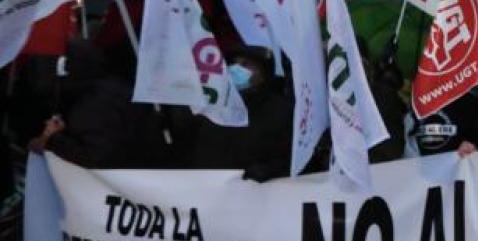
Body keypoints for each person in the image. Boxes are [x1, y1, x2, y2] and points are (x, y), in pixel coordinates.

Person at [30, 39, 173, 170]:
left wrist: (53, 139)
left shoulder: (90, 108)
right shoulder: (114, 87)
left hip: (127, 183)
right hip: (149, 171)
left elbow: (95, 158)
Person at [181, 46, 295, 180]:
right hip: (210, 191)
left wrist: (269, 170)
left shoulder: (280, 110)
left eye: (245, 65)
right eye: (233, 63)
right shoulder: (215, 107)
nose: (236, 68)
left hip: (258, 193)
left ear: (262, 74)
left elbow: (290, 156)